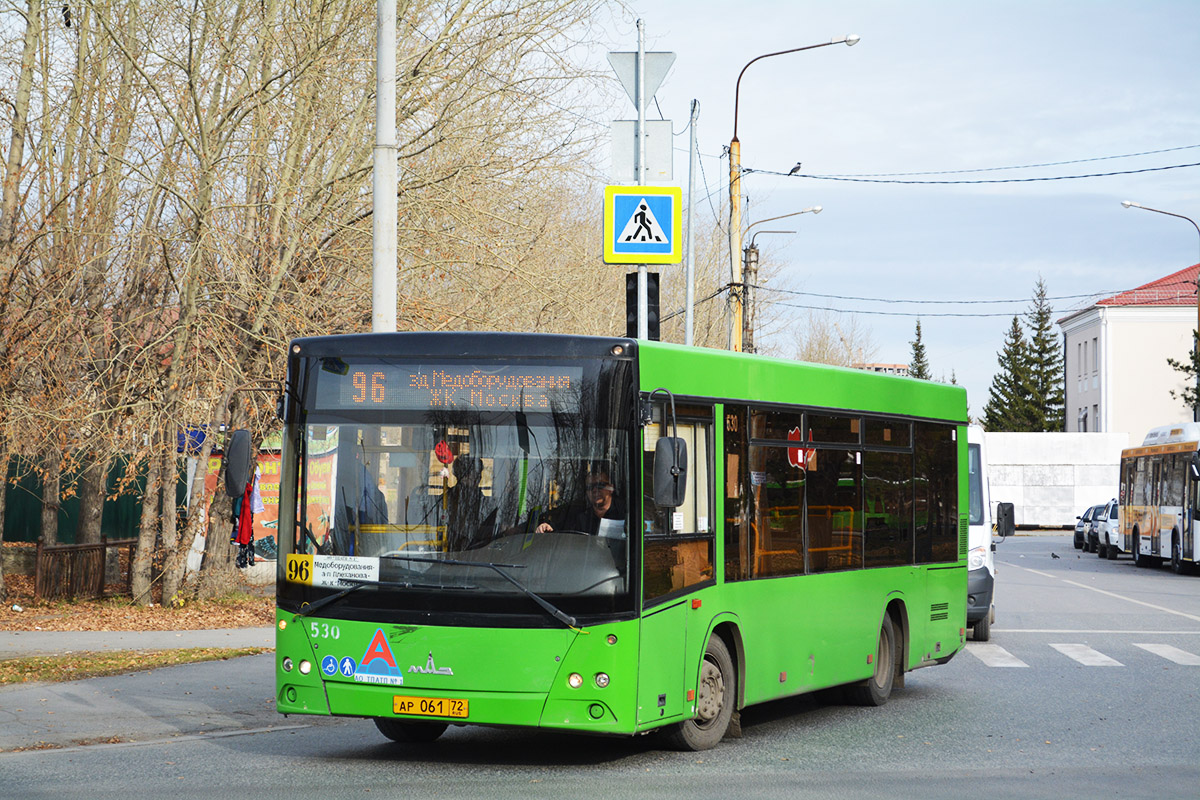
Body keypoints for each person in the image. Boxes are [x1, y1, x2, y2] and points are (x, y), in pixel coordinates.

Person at [536, 465, 625, 538]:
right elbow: (559, 530)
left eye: (600, 485)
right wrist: (546, 527)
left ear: (611, 488)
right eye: (590, 487)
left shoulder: (625, 513)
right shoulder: (579, 516)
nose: (595, 490)